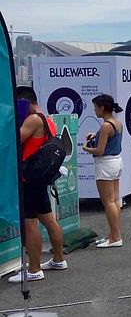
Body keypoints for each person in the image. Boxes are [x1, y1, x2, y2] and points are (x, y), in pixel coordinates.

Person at [9, 86, 67, 283]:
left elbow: (13, 140)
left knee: (29, 222)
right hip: (39, 179)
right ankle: (59, 259)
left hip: (29, 179)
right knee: (49, 220)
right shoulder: (47, 120)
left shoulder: (33, 120)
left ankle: (34, 269)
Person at [81, 94, 124, 249]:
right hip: (116, 161)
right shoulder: (116, 123)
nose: (94, 110)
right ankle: (113, 234)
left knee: (108, 201)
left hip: (105, 164)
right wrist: (97, 136)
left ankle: (116, 236)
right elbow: (110, 140)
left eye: (95, 107)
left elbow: (99, 150)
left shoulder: (106, 126)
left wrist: (85, 148)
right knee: (115, 199)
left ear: (102, 108)